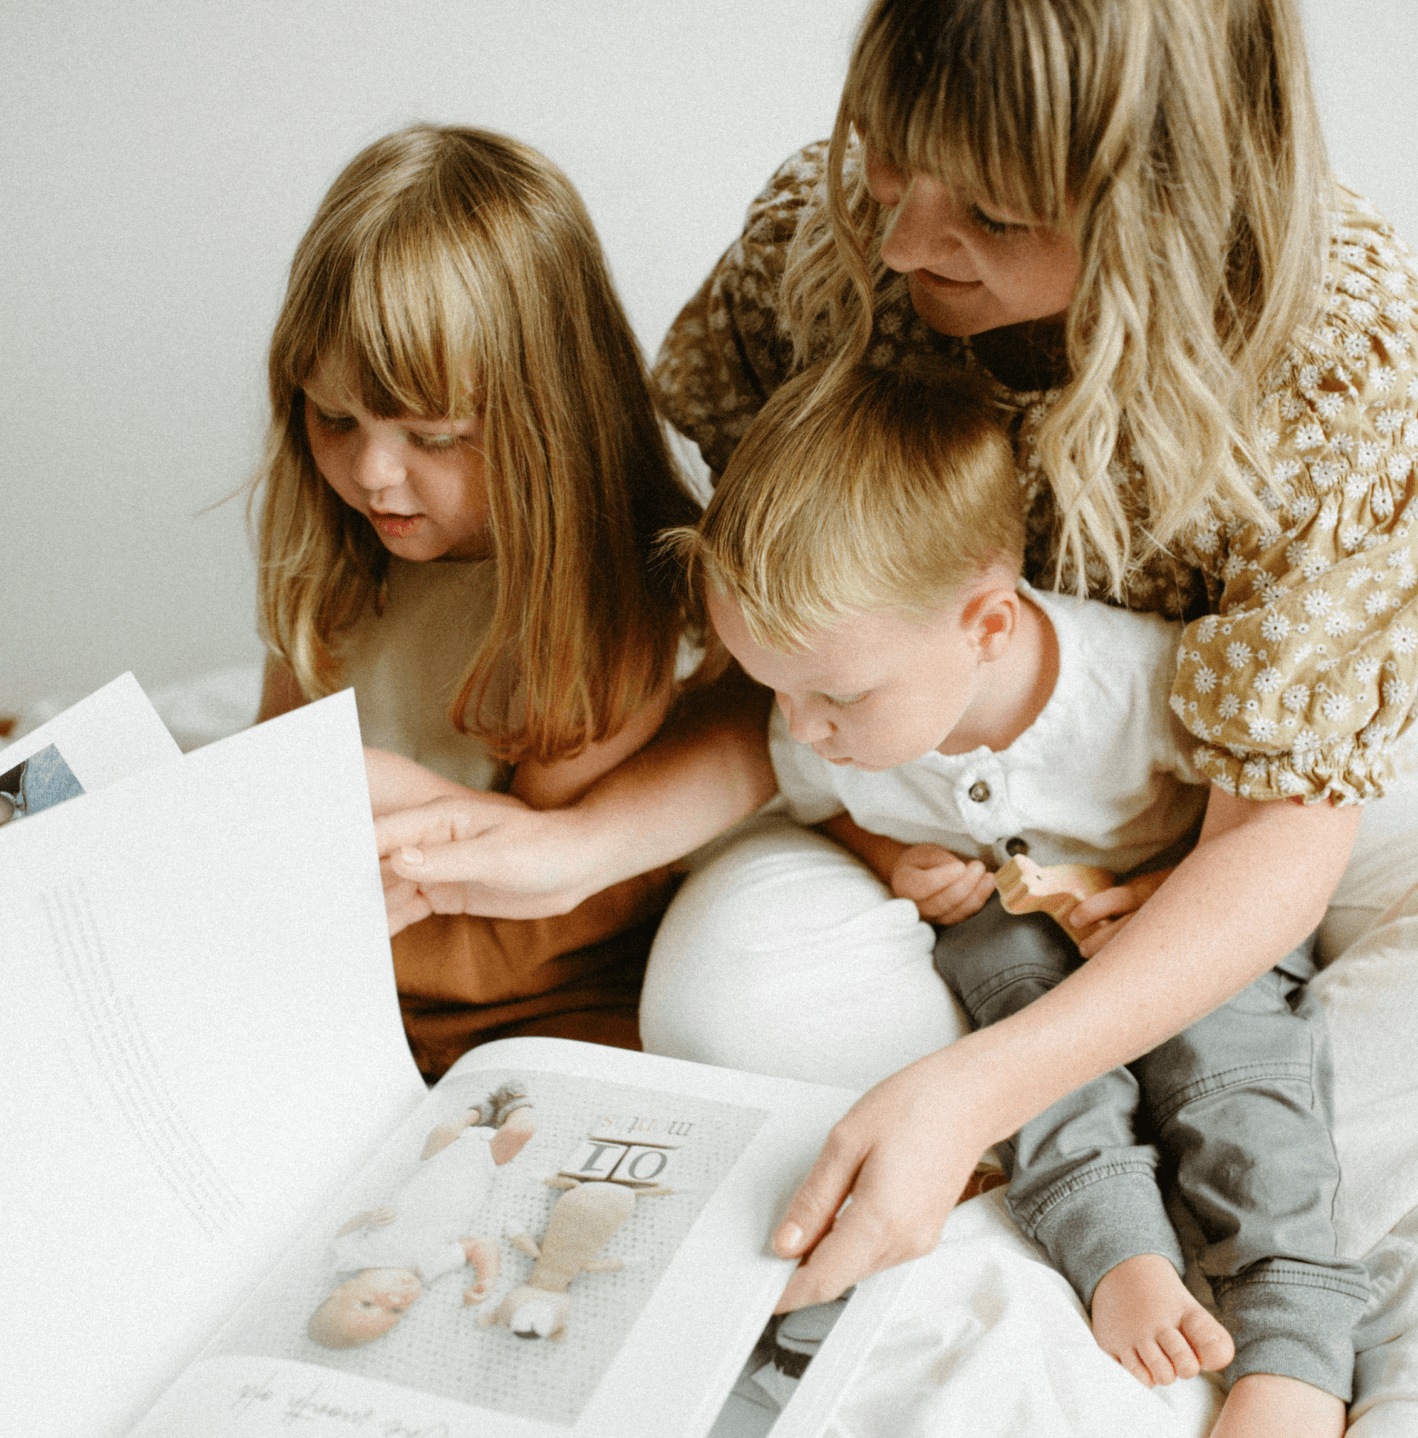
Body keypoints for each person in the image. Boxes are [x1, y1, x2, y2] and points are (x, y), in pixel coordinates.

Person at [373, 7, 1418, 1431]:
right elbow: (786, 681)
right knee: (720, 996)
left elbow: (1279, 821)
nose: (903, 242)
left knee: (1359, 1057)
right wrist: (565, 848)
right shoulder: (819, 244)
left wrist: (973, 1083)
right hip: (916, 812)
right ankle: (1072, 1183)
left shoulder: (1336, 346)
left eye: (988, 209)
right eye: (885, 162)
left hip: (1233, 805)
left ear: (1171, 200)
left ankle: (1282, 1313)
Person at [664, 357, 1369, 1429]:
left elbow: (1253, 821)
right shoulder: (832, 720)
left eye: (832, 697)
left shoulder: (1143, 687)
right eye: (775, 691)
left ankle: (1292, 1344)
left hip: (1171, 924)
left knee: (1240, 1085)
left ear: (985, 628)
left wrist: (1156, 885)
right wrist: (883, 853)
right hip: (1012, 940)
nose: (801, 728)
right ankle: (1116, 1249)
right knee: (1029, 1075)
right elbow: (813, 793)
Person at [250, 125, 701, 1079]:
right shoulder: (333, 558)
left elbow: (533, 927)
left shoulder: (612, 600)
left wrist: (362, 812)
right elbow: (270, 786)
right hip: (344, 983)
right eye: (336, 419)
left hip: (550, 1003)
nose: (375, 475)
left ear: (551, 422)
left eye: (433, 435)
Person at [308, 1083, 536, 1348]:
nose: (395, 1300)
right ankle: (514, 1102)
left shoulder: (355, 1257)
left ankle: (479, 1112)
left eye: (369, 1303)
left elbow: (341, 1233)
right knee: (520, 1132)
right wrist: (486, 1278)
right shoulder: (429, 1266)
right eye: (396, 1312)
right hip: (481, 1167)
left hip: (433, 1161)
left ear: (342, 1290)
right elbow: (479, 1245)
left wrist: (365, 1217)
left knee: (444, 1130)